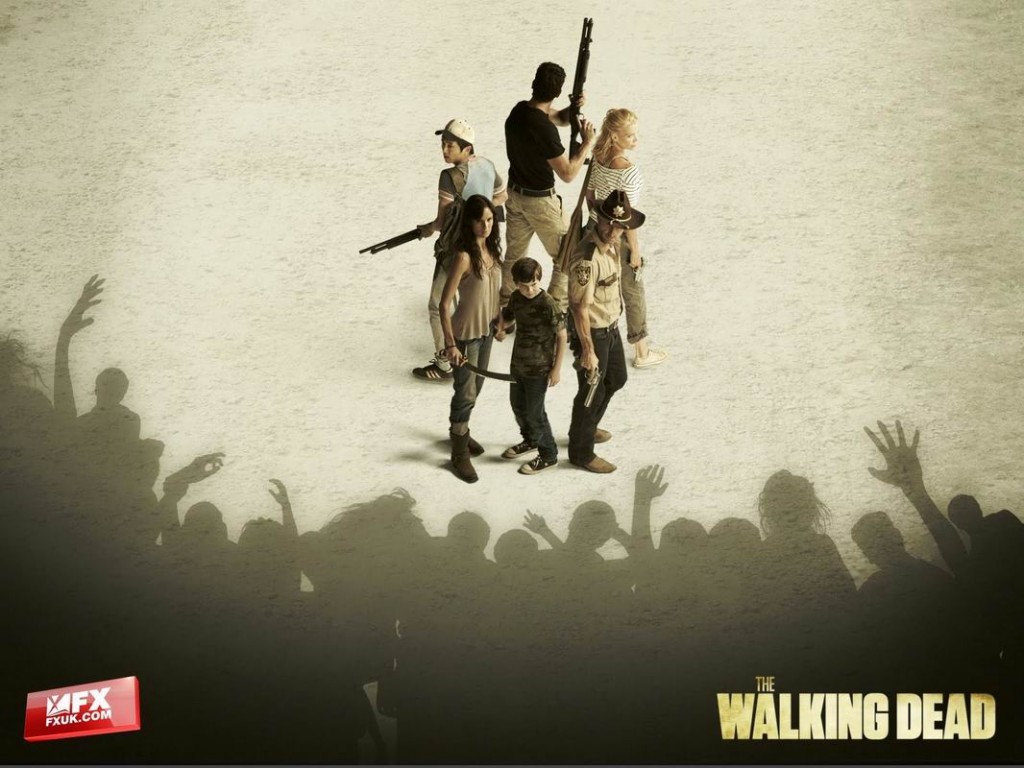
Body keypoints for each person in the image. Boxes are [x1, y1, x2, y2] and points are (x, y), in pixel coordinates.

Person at [413, 119, 507, 381]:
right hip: (482, 246)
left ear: (466, 148)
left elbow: (441, 222)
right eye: (443, 144)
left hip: (456, 249)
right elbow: (502, 196)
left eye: (450, 145)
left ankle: (444, 361)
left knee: (438, 304)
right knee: (464, 299)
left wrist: (427, 229)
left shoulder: (450, 176)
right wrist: (481, 211)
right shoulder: (487, 165)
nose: (444, 150)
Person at [503, 62, 596, 312]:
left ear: (534, 84)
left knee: (513, 258)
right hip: (540, 202)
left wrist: (573, 109)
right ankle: (555, 312)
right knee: (568, 255)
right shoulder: (544, 129)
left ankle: (506, 311)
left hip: (515, 195)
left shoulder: (519, 111)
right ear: (557, 92)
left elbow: (557, 117)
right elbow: (568, 173)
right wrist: (587, 143)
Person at [566, 190, 643, 473]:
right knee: (591, 392)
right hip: (593, 333)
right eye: (608, 223)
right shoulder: (587, 258)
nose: (612, 231)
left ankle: (586, 427)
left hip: (610, 328)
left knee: (617, 379)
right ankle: (581, 453)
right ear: (598, 218)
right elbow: (579, 308)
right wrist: (587, 350)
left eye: (619, 226)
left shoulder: (613, 245)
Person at [586, 108, 667, 368]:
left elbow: (590, 195)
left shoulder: (597, 157)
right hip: (619, 235)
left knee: (596, 287)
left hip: (594, 229)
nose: (636, 140)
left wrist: (598, 221)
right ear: (614, 137)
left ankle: (588, 342)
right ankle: (641, 352)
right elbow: (627, 218)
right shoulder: (629, 172)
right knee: (633, 290)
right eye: (631, 136)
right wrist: (634, 251)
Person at [439, 195, 503, 483]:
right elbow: (444, 305)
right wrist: (450, 344)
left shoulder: (493, 251)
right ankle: (458, 449)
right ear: (470, 222)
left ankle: (461, 431)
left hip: (486, 332)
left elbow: (493, 292)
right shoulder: (464, 257)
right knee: (465, 393)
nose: (485, 226)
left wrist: (499, 320)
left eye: (489, 220)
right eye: (479, 221)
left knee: (475, 388)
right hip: (465, 336)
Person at [496, 257, 566, 475]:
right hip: (518, 365)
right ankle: (531, 440)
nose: (529, 290)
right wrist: (501, 328)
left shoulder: (548, 303)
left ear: (539, 280)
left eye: (534, 284)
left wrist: (556, 369)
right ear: (516, 283)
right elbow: (508, 316)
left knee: (536, 413)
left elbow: (562, 336)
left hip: (539, 368)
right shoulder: (516, 298)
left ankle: (549, 455)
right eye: (524, 286)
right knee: (518, 406)